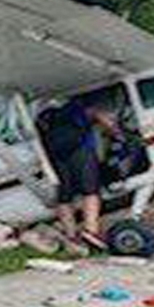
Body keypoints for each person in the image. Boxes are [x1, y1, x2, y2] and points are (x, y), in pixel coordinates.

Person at [38, 98, 117, 252]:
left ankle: (71, 236)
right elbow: (107, 123)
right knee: (91, 191)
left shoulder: (45, 114)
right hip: (80, 149)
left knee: (64, 195)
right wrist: (116, 131)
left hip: (56, 154)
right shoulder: (80, 105)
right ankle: (91, 231)